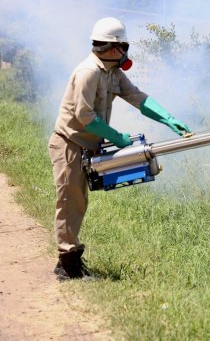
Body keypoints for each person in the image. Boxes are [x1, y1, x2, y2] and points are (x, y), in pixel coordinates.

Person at [48, 17, 190, 280]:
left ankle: (68, 260)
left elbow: (137, 97)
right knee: (70, 201)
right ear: (115, 48)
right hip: (69, 143)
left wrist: (168, 118)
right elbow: (84, 116)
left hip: (86, 144)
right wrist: (117, 137)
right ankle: (68, 266)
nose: (126, 52)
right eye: (124, 46)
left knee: (78, 201)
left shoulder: (112, 72)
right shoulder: (89, 72)